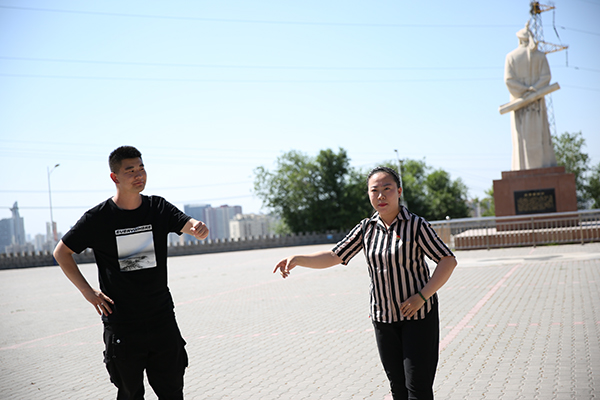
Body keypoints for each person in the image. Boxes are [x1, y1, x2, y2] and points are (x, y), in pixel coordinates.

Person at [273, 166, 457, 400]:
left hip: (418, 318)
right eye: (374, 190)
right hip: (384, 320)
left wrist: (422, 296)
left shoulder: (416, 225)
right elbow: (334, 256)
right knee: (398, 388)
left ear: (399, 191)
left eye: (387, 189)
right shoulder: (366, 229)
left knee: (417, 388)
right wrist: (298, 259)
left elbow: (447, 260)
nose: (381, 196)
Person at [53, 145, 209, 400]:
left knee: (172, 392)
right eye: (130, 170)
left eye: (141, 168)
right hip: (122, 324)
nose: (139, 175)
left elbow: (188, 223)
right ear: (114, 177)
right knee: (130, 394)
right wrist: (87, 291)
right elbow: (61, 252)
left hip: (161, 319)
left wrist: (197, 228)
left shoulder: (157, 208)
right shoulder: (98, 218)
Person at [504, 23, 557, 170]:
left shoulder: (511, 56)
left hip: (524, 100)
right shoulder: (540, 56)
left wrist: (524, 91)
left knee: (525, 138)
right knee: (535, 136)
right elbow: (546, 77)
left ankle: (524, 169)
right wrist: (533, 90)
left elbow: (509, 81)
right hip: (530, 100)